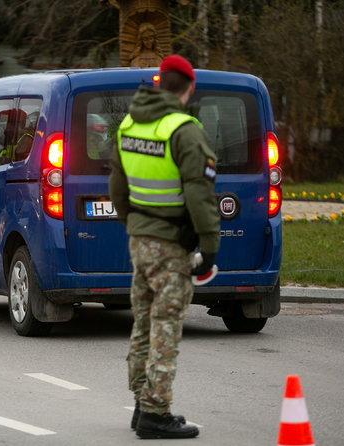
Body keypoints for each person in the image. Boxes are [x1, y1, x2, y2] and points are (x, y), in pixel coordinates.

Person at [109, 55, 220, 439]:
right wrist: (210, 245)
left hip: (139, 240)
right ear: (188, 88)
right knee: (166, 324)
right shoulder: (184, 130)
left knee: (143, 321)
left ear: (160, 84)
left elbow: (117, 186)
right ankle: (156, 412)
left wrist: (133, 224)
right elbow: (199, 194)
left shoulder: (128, 124)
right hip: (172, 243)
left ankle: (142, 404)